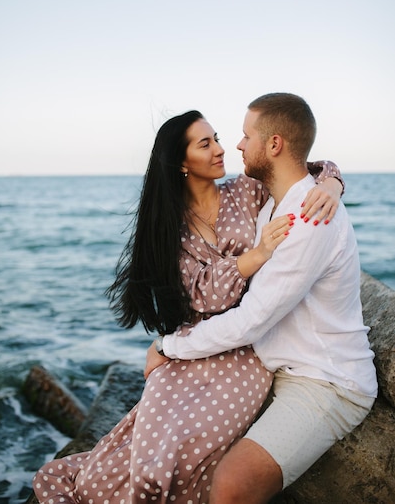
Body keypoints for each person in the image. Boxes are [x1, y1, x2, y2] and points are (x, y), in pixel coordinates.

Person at [32, 109, 344, 504]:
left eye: (216, 137)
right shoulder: (171, 228)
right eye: (206, 143)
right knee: (139, 454)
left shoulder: (247, 191)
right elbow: (201, 295)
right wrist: (256, 255)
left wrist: (332, 183)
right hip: (193, 341)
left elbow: (302, 169)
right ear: (182, 163)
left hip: (243, 351)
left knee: (179, 456)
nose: (221, 148)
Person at [145, 95, 378, 504]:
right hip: (274, 364)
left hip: (325, 379)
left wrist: (169, 346)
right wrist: (331, 179)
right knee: (171, 438)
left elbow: (251, 319)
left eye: (244, 136)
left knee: (231, 484)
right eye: (211, 141)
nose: (233, 146)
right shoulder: (269, 204)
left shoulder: (308, 216)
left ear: (272, 145)